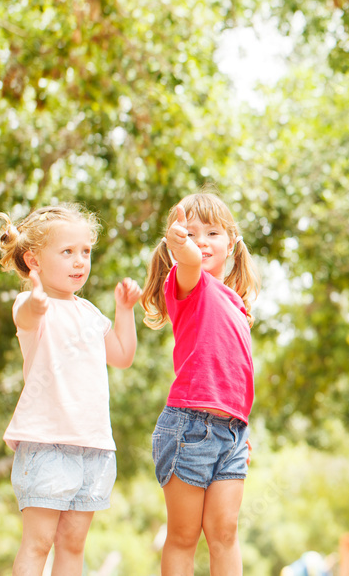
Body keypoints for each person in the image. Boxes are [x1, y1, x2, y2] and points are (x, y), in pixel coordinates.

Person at [0, 204, 142, 576]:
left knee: (73, 544)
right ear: (34, 261)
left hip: (93, 445)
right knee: (39, 542)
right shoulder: (32, 306)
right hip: (47, 444)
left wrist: (124, 310)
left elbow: (122, 356)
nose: (80, 261)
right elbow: (26, 316)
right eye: (67, 252)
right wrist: (35, 303)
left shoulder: (90, 313)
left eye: (85, 251)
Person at [141, 192, 260, 576]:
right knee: (184, 535)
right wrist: (182, 247)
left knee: (225, 532)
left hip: (232, 434)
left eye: (212, 233)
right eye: (191, 233)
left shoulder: (237, 304)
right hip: (189, 428)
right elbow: (191, 260)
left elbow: (235, 376)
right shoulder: (188, 283)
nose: (201, 242)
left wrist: (240, 426)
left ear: (232, 243)